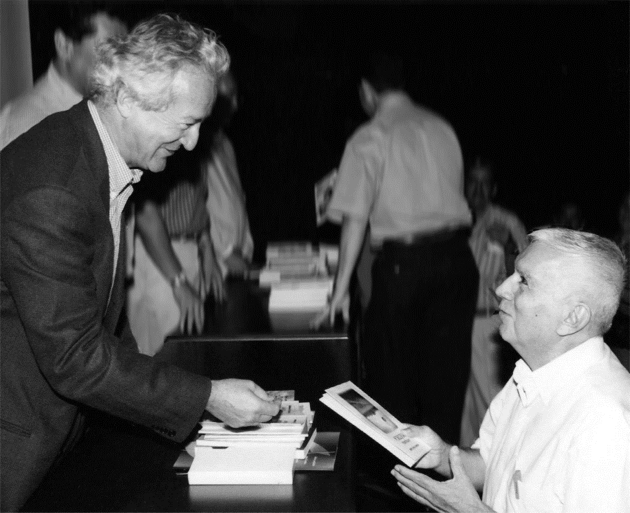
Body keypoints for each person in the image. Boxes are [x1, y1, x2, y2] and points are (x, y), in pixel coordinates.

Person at [0, 14, 279, 511]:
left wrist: (179, 421)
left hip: (66, 434)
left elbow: (106, 324)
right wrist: (206, 397)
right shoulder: (54, 188)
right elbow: (75, 358)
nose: (193, 143)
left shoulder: (101, 159)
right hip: (20, 446)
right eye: (187, 123)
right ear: (128, 100)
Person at [392, 228, 630, 513]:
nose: (502, 288)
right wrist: (443, 455)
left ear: (572, 318)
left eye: (524, 281)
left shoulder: (607, 423)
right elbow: (492, 463)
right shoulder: (533, 372)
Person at [316, 51, 478, 443]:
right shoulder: (442, 127)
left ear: (366, 92)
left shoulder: (369, 137)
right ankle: (442, 491)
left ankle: (398, 494)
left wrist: (339, 294)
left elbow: (355, 219)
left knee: (393, 393)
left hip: (405, 269)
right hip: (458, 262)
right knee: (445, 387)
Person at [127, 129, 225, 356]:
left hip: (185, 254)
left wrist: (205, 245)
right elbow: (145, 212)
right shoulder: (160, 135)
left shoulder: (194, 135)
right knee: (162, 362)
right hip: (160, 260)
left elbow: (197, 199)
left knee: (187, 358)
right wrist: (178, 281)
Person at [459, 158, 529, 446]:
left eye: (485, 183)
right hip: (455, 325)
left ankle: (496, 466)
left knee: (491, 401)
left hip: (489, 323)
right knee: (462, 406)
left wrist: (509, 247)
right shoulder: (454, 222)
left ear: (494, 188)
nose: (478, 189)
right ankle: (466, 472)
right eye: (473, 182)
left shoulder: (506, 221)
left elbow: (530, 273)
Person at [0, 1, 127, 150]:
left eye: (122, 53)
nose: (118, 66)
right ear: (64, 45)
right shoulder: (29, 128)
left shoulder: (105, 109)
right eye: (106, 51)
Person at [202, 69, 255, 278]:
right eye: (229, 95)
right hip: (215, 264)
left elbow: (237, 201)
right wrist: (224, 252)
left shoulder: (225, 143)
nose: (235, 105)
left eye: (236, 96)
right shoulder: (193, 144)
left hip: (237, 260)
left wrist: (246, 247)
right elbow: (197, 207)